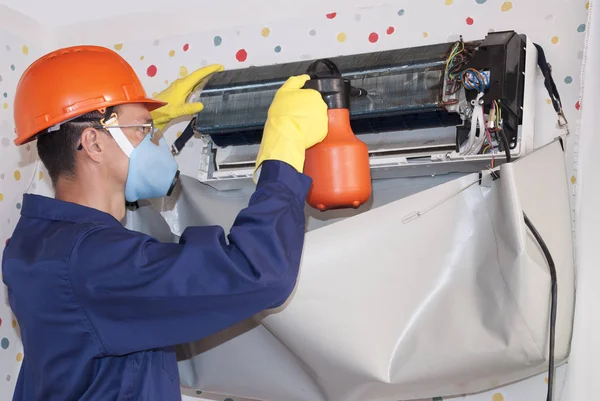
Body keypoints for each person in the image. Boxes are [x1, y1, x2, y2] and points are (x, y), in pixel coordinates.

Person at [2, 45, 327, 400]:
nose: (152, 140)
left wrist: (136, 128)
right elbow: (257, 272)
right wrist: (283, 154)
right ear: (93, 143)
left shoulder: (37, 242)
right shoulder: (93, 261)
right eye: (143, 129)